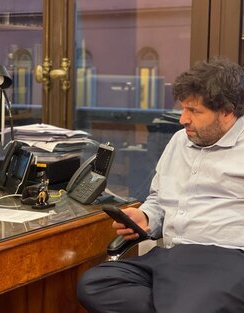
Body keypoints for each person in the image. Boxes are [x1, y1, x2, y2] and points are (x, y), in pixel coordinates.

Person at [77, 58, 244, 313]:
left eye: (194, 111)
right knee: (95, 285)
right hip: (171, 256)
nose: (183, 120)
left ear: (227, 112)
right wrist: (146, 217)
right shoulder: (179, 141)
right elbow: (158, 198)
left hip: (225, 258)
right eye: (183, 109)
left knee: (186, 304)